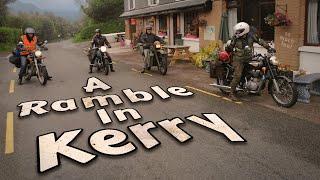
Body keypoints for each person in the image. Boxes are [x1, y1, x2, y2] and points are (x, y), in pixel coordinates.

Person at [225, 22, 275, 101]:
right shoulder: (235, 38)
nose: (238, 33)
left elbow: (260, 41)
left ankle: (252, 89)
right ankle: (231, 93)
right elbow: (230, 47)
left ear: (245, 30)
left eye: (239, 31)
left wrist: (269, 47)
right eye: (237, 31)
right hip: (238, 60)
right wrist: (228, 47)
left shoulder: (251, 36)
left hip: (248, 58)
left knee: (255, 71)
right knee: (237, 75)